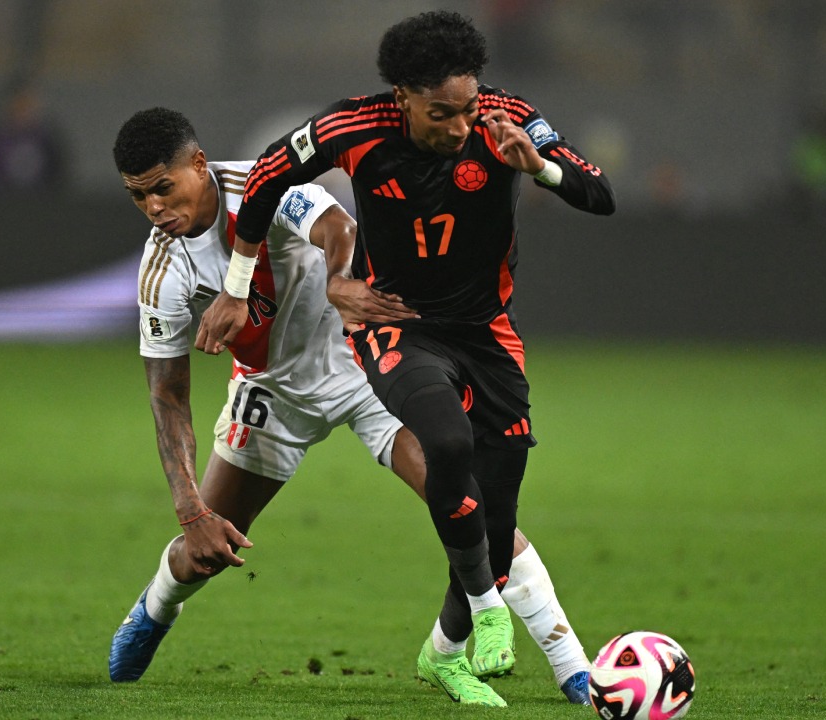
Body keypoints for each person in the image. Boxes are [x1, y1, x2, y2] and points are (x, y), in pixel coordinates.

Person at [106, 107, 593, 705]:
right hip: (270, 391)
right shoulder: (161, 272)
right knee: (206, 546)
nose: (155, 207)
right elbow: (167, 394)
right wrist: (187, 510)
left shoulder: (263, 188)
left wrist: (339, 280)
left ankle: (575, 670)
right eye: (139, 197)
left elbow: (339, 228)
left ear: (199, 165)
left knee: (465, 497)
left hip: (363, 366)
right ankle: (153, 611)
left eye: (163, 187)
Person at [197, 11, 615, 708]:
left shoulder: (507, 119)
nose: (458, 128)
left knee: (496, 519)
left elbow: (599, 193)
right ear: (402, 98)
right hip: (397, 326)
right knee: (445, 439)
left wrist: (538, 166)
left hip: (486, 333)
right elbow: (267, 177)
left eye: (467, 110)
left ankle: (444, 654)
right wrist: (238, 288)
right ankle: (489, 611)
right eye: (440, 114)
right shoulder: (352, 129)